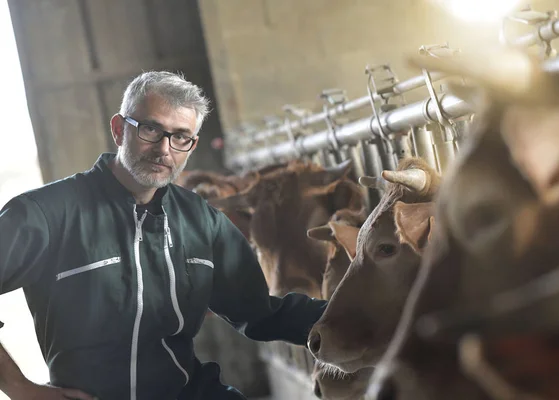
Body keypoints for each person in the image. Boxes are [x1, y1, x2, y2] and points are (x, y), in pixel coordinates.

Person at [0, 71, 327, 400]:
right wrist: (20, 388)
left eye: (181, 137)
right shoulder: (45, 214)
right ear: (118, 129)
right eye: (151, 129)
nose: (163, 149)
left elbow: (261, 313)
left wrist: (363, 314)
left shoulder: (202, 221)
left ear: (191, 145)